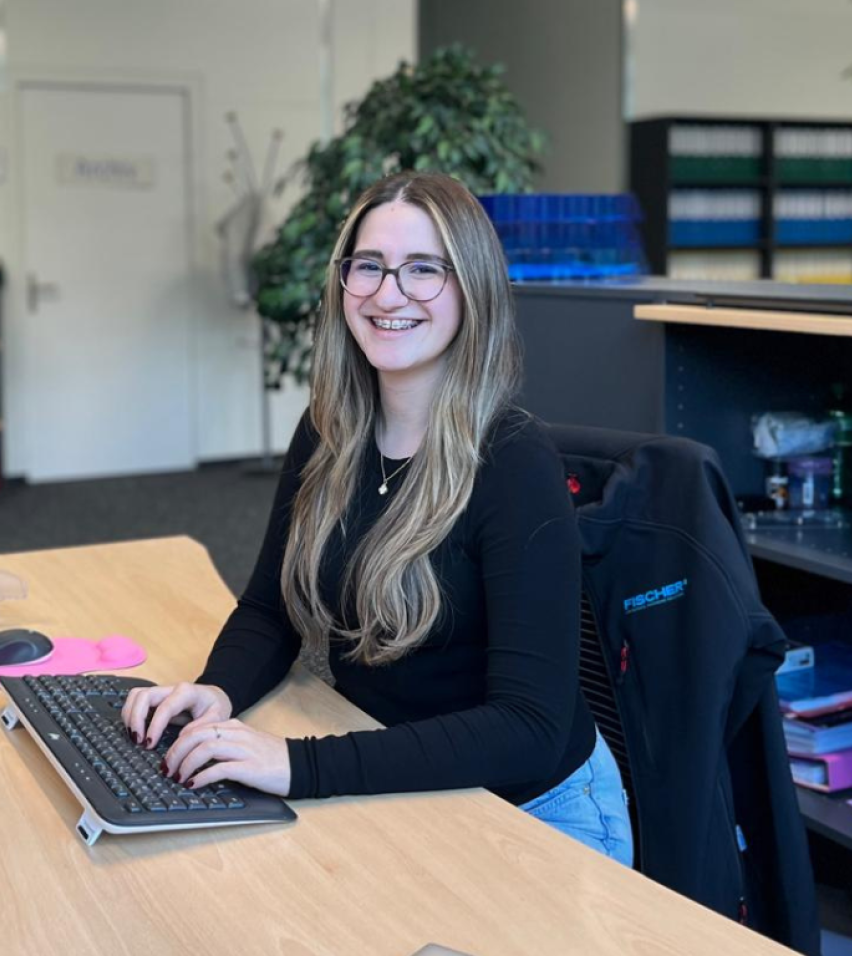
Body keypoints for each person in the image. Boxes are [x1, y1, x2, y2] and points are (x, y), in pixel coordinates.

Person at [120, 170, 632, 865]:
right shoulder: (329, 431)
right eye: (369, 267)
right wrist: (217, 692)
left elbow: (529, 727)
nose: (388, 295)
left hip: (532, 811)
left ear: (470, 289)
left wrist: (298, 766)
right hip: (401, 779)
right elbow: (272, 609)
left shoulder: (513, 463)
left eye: (424, 270)